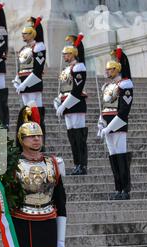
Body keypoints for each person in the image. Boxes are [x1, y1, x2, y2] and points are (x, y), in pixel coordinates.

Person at [11, 102, 67, 247]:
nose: (36, 139)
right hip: (23, 227)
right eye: (31, 136)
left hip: (48, 226)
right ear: (21, 138)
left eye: (39, 135)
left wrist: (61, 237)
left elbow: (61, 203)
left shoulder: (53, 163)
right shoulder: (13, 164)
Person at [98, 46, 133, 200]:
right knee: (113, 157)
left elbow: (124, 111)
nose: (107, 72)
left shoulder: (124, 85)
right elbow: (104, 108)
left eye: (110, 70)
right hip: (107, 124)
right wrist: (101, 123)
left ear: (117, 70)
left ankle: (125, 189)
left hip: (118, 124)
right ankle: (118, 188)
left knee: (120, 156)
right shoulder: (108, 86)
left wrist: (110, 127)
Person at [55, 33, 88, 175]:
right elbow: (64, 89)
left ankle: (82, 164)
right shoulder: (66, 70)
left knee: (79, 137)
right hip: (68, 106)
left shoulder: (79, 68)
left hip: (76, 105)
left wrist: (64, 105)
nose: (64, 57)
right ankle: (76, 164)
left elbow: (76, 90)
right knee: (72, 138)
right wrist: (58, 100)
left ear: (73, 54)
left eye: (66, 54)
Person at [13, 16, 46, 148]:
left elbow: (37, 71)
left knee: (35, 114)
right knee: (26, 113)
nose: (23, 35)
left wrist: (24, 84)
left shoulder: (38, 47)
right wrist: (17, 81)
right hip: (24, 84)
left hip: (33, 84)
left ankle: (39, 143)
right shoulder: (24, 49)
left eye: (26, 33)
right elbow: (21, 68)